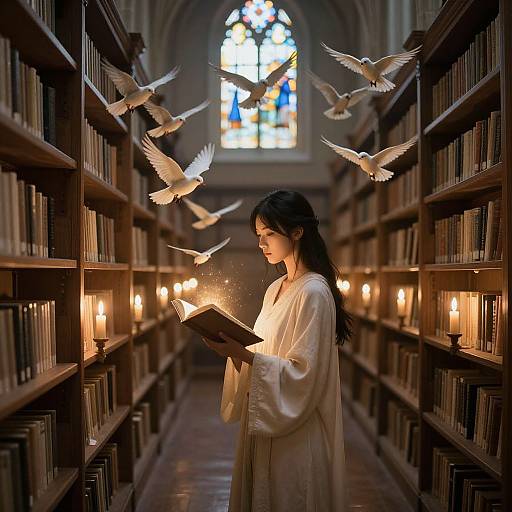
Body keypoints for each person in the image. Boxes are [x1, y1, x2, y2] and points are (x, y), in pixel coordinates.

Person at [202, 189, 351, 511]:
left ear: (297, 231)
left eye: (269, 233)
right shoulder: (275, 288)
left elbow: (303, 374)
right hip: (266, 415)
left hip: (295, 430)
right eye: (258, 234)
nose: (261, 243)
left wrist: (241, 354)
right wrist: (233, 351)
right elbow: (264, 349)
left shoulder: (314, 292)